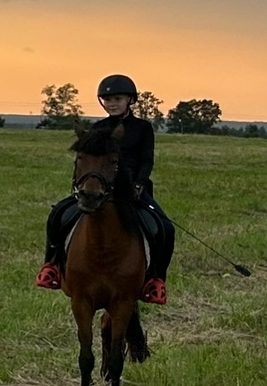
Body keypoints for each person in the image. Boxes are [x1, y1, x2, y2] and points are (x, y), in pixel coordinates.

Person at [38, 73, 174, 302]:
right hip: (100, 189)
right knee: (58, 214)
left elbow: (146, 160)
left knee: (165, 228)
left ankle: (155, 279)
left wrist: (139, 183)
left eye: (118, 99)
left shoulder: (143, 128)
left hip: (134, 191)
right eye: (108, 100)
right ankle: (51, 265)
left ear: (130, 100)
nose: (112, 104)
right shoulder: (98, 128)